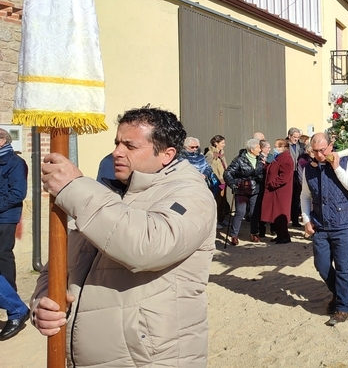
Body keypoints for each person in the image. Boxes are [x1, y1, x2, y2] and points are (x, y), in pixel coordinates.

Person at [32, 107, 216, 366]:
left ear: (166, 154)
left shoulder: (191, 195)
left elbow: (148, 247)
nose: (117, 152)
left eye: (130, 146)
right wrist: (43, 302)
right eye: (117, 143)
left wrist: (76, 188)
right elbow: (61, 265)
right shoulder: (109, 192)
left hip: (147, 359)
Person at [300, 133, 348, 326]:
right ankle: (340, 293)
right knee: (322, 266)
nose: (319, 155)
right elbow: (305, 196)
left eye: (322, 150)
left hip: (343, 224)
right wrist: (306, 220)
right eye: (315, 151)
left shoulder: (346, 163)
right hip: (320, 225)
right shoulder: (308, 169)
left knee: (343, 268)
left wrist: (336, 168)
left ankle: (343, 308)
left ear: (331, 146)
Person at [0, 128, 29, 340]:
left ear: (2, 140)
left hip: (5, 218)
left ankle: (13, 301)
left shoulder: (15, 163)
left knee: (3, 257)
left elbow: (18, 193)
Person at [223, 138, 265, 246]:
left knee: (254, 212)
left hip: (255, 189)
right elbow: (228, 173)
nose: (260, 149)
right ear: (251, 149)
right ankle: (234, 235)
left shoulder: (260, 159)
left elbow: (263, 173)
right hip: (242, 189)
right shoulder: (239, 160)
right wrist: (233, 184)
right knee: (240, 212)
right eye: (258, 147)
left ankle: (254, 233)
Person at [261, 139, 293, 244]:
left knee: (280, 214)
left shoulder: (286, 159)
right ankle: (279, 235)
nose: (274, 148)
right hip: (275, 191)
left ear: (283, 148)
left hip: (280, 192)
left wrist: (272, 184)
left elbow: (284, 177)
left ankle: (284, 236)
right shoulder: (279, 158)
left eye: (276, 146)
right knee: (275, 214)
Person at [205, 135, 229, 225]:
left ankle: (221, 219)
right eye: (222, 143)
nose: (224, 145)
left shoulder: (221, 154)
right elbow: (210, 169)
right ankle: (215, 221)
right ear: (216, 143)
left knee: (223, 200)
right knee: (217, 201)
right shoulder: (210, 154)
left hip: (223, 181)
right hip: (216, 182)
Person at [287, 127, 306, 228]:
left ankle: (295, 220)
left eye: (298, 137)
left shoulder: (301, 146)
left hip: (297, 174)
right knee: (287, 198)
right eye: (294, 137)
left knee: (296, 198)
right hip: (288, 174)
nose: (296, 139)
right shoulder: (285, 145)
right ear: (289, 136)